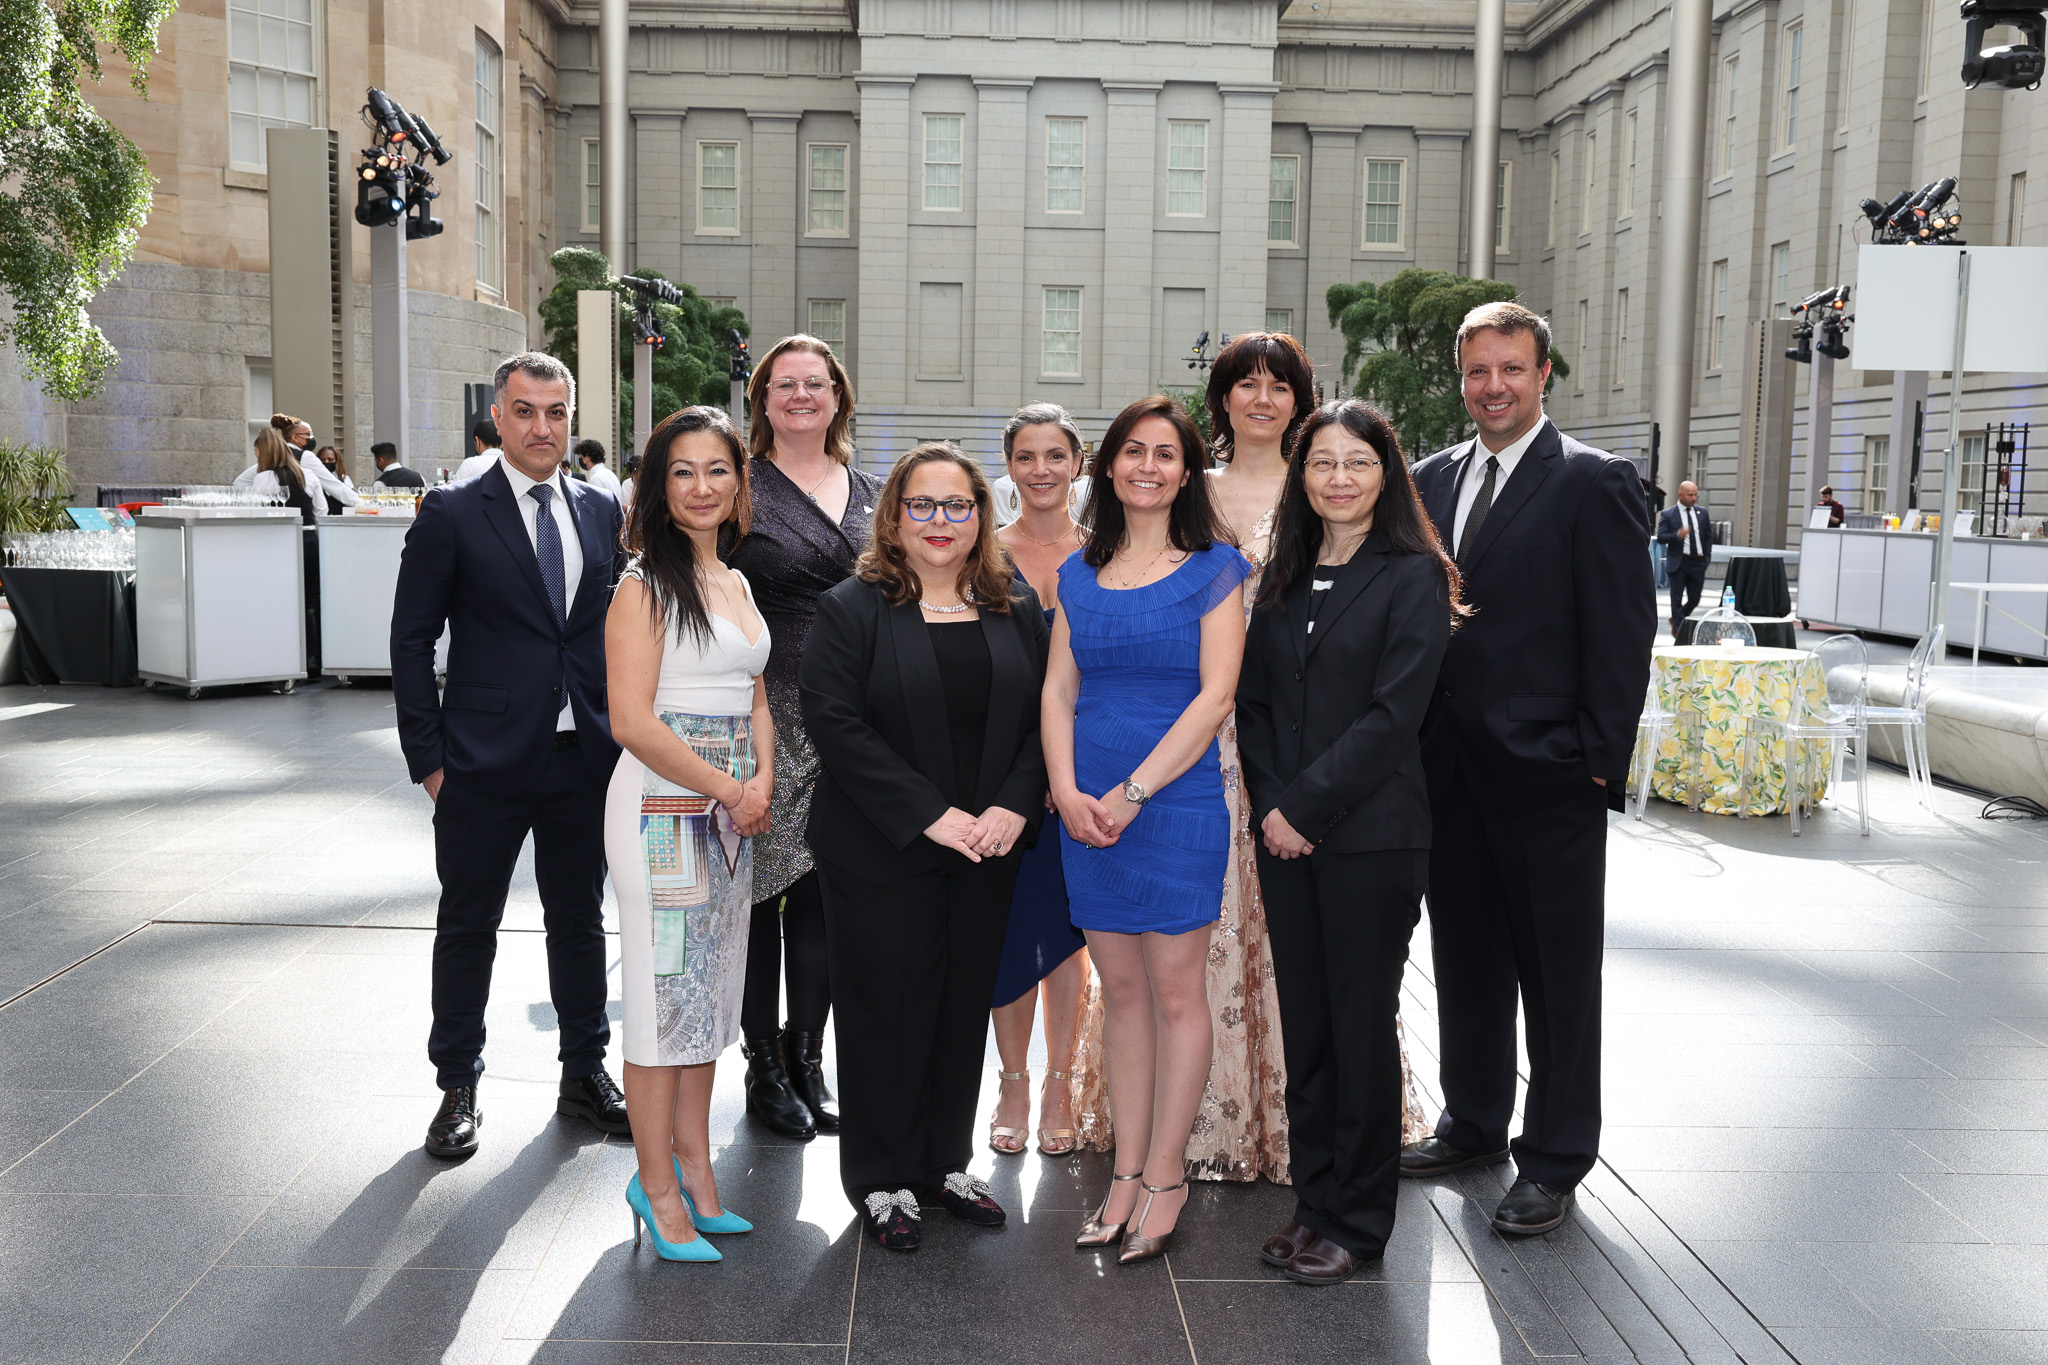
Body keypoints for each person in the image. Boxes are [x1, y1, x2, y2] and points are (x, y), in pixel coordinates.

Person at [1404, 302, 1654, 1236]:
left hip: (1551, 775)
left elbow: (1625, 632)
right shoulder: (1427, 478)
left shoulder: (1594, 481)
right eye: (1477, 371)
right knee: (1465, 957)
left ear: (1543, 371)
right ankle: (1473, 1121)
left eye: (1511, 368)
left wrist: (1595, 763)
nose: (1493, 387)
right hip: (1445, 771)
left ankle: (1554, 1156)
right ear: (1461, 377)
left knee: (1556, 975)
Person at [800, 442, 1051, 1251]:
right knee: (884, 1011)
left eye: (958, 506)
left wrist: (1015, 803)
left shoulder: (1017, 604)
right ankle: (881, 1179)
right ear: (894, 518)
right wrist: (930, 813)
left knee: (958, 1004)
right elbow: (834, 724)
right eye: (922, 506)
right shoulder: (851, 607)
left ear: (982, 516)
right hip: (881, 845)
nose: (940, 522)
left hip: (988, 845)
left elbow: (1047, 716)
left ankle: (944, 1162)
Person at [1236, 399, 1460, 1285]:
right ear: (1303, 476)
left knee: (1359, 1025)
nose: (1337, 478)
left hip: (1371, 838)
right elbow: (1254, 703)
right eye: (1321, 463)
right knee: (1311, 1026)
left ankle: (1360, 1220)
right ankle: (1315, 1198)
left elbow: (1392, 717)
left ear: (1385, 474)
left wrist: (1306, 808)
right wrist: (1272, 807)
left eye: (1356, 463)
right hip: (1286, 834)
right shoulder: (1286, 573)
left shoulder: (1412, 574)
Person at [391, 351, 632, 1160]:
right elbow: (411, 640)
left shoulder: (600, 511)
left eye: (556, 412)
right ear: (498, 418)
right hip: (479, 762)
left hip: (580, 760)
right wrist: (430, 760)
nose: (543, 427)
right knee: (469, 925)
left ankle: (584, 1070)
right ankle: (457, 1085)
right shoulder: (453, 511)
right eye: (526, 411)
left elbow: (604, 630)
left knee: (579, 921)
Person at [1043, 394, 1251, 1265]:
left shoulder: (1217, 568)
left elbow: (1216, 696)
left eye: (1167, 454)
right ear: (1110, 465)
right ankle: (1123, 1171)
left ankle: (1166, 1173)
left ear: (1186, 470)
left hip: (1173, 804)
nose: (1149, 466)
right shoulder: (1076, 575)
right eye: (1134, 451)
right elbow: (1058, 690)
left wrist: (1130, 791)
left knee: (1175, 992)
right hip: (1084, 807)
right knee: (1118, 994)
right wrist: (1063, 788)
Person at [605, 406, 773, 1264]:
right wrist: (728, 788)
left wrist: (762, 782)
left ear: (739, 481)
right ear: (657, 486)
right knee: (660, 1004)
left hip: (733, 812)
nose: (702, 487)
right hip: (660, 814)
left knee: (709, 999)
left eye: (718, 469)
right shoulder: (642, 586)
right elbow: (631, 719)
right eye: (683, 471)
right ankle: (656, 1186)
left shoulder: (736, 582)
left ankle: (698, 1173)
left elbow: (754, 694)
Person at [724, 333, 884, 1140]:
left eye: (814, 383)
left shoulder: (873, 492)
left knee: (823, 898)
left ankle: (807, 1054)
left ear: (837, 396)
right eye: (784, 384)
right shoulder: (738, 488)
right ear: (762, 400)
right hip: (762, 711)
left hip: (852, 718)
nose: (799, 396)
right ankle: (760, 1064)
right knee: (760, 896)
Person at [987, 403, 1089, 1158]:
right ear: (1010, 467)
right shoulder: (980, 554)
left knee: (1072, 933)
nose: (1043, 469)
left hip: (1090, 771)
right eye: (1028, 456)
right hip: (1001, 770)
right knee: (1011, 930)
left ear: (1078, 464)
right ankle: (1013, 1080)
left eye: (1056, 455)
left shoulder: (1105, 552)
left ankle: (1062, 1079)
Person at [1655, 480, 1714, 639]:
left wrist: (1707, 557)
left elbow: (1708, 536)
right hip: (1679, 563)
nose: (1694, 498)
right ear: (1680, 495)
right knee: (1676, 598)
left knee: (1695, 598)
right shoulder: (1668, 514)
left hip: (1698, 563)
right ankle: (1681, 632)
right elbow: (1661, 537)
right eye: (1690, 495)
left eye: (1696, 495)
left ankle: (1676, 619)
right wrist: (1677, 535)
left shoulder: (1702, 513)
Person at [250, 425, 317, 525]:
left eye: (258, 456)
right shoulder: (308, 474)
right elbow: (321, 510)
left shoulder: (263, 478)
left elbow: (257, 512)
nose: (258, 460)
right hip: (307, 534)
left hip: (278, 534)